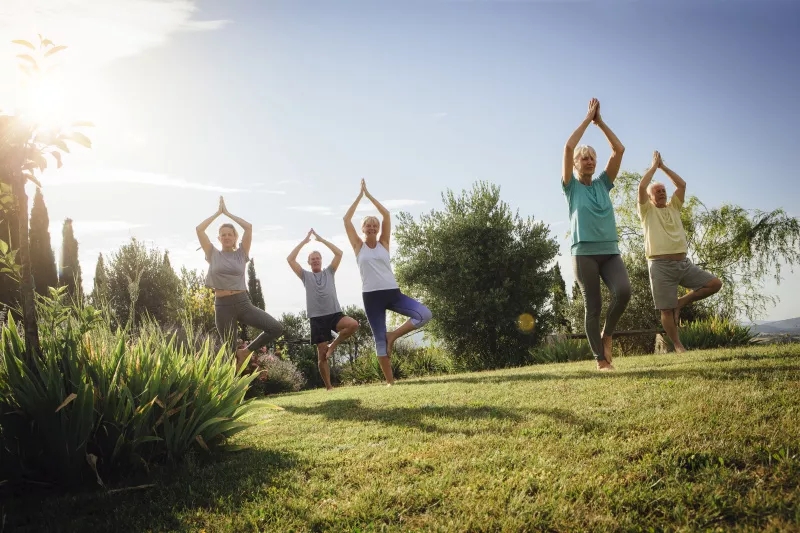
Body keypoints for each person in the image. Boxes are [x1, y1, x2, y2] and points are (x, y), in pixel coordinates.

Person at [562, 98, 631, 370]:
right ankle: (601, 361)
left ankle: (608, 333)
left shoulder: (604, 183)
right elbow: (568, 146)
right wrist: (586, 117)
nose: (589, 161)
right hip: (584, 253)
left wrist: (599, 122)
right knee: (593, 306)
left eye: (592, 157)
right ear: (576, 164)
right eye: (584, 158)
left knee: (624, 292)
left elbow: (619, 149)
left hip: (610, 250)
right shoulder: (570, 187)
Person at [343, 179, 432, 385]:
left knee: (425, 314)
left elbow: (387, 215)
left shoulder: (384, 243)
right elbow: (346, 219)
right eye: (368, 224)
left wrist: (370, 196)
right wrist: (360, 196)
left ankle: (393, 335)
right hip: (371, 297)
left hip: (393, 293)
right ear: (363, 228)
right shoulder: (358, 246)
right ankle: (391, 383)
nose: (372, 227)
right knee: (379, 342)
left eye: (375, 224)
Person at [637, 151, 723, 353]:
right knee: (665, 309)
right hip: (660, 266)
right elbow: (641, 186)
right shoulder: (646, 211)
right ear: (650, 197)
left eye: (663, 190)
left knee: (714, 284)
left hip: (683, 264)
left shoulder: (674, 207)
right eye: (657, 191)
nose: (661, 192)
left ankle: (681, 302)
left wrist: (663, 167)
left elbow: (682, 185)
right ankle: (678, 345)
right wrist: (653, 167)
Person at [196, 196, 283, 372]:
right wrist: (217, 214)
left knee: (275, 328)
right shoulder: (212, 253)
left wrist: (228, 213)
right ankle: (233, 393)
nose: (227, 237)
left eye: (230, 234)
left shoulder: (242, 253)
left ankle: (246, 352)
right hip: (223, 306)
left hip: (243, 303)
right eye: (223, 235)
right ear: (219, 238)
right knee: (228, 352)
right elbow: (199, 229)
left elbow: (249, 227)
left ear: (235, 237)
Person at [287, 228, 360, 390]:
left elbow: (339, 253)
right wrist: (304, 242)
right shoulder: (305, 275)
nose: (315, 261)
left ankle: (333, 346)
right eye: (312, 259)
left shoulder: (330, 271)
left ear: (321, 260)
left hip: (334, 314)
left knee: (353, 324)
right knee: (321, 355)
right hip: (317, 318)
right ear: (309, 262)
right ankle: (329, 387)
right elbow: (290, 259)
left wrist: (321, 240)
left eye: (317, 258)